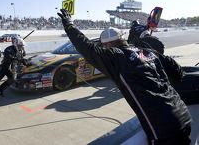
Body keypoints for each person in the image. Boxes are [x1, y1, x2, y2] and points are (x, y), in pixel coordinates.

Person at [58, 9, 191, 145]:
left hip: (164, 127)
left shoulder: (117, 57)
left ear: (108, 45)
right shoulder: (148, 51)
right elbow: (178, 72)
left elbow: (87, 48)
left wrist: (69, 25)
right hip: (184, 114)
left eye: (103, 46)